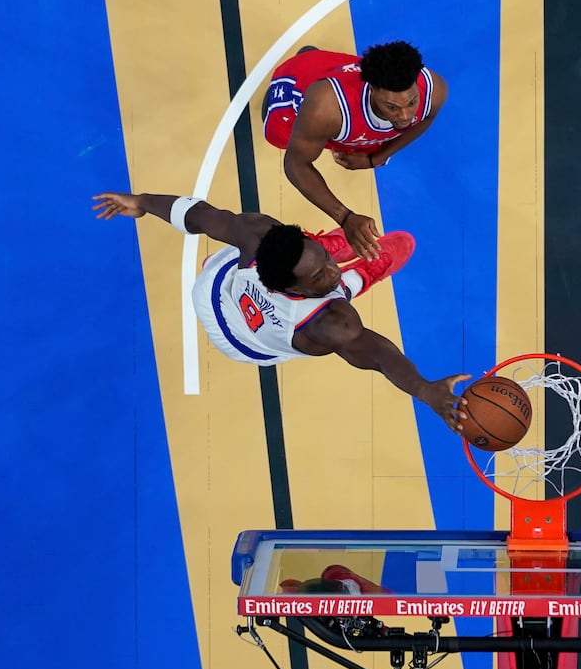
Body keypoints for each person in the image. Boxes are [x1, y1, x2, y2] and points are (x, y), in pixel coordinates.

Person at [92, 190, 469, 433]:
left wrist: (141, 202)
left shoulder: (258, 234)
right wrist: (425, 390)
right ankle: (363, 276)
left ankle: (320, 248)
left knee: (288, 252)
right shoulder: (331, 325)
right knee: (338, 293)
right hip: (242, 338)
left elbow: (198, 215)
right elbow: (380, 355)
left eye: (325, 260)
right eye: (321, 274)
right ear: (287, 288)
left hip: (224, 285)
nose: (332, 271)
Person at [262, 41, 448, 261]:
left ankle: (318, 59)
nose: (406, 116)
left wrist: (376, 158)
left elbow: (427, 116)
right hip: (299, 90)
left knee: (373, 131)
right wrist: (345, 217)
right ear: (371, 88)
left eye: (411, 102)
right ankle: (305, 61)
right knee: (278, 135)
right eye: (392, 107)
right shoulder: (326, 108)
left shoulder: (433, 89)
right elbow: (295, 164)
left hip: (346, 108)